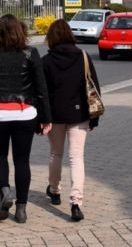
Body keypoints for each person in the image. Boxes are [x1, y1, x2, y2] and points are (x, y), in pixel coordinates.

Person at [0, 14, 52, 223]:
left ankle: (5, 191)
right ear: (21, 31)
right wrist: (46, 116)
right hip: (25, 112)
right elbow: (41, 87)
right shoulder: (31, 53)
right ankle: (22, 208)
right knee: (22, 160)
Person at [42, 19, 101, 222]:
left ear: (52, 37)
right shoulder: (83, 56)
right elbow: (94, 86)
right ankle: (76, 202)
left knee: (55, 154)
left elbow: (42, 93)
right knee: (76, 157)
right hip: (80, 114)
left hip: (55, 116)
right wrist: (94, 119)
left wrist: (42, 118)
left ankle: (54, 190)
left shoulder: (46, 61)